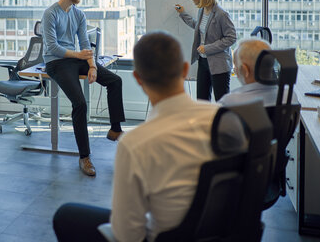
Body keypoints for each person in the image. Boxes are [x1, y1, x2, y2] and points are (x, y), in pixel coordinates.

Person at [53, 31, 219, 241]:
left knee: (66, 215)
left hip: (166, 236)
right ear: (185, 69)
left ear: (138, 78)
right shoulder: (223, 119)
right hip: (222, 232)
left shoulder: (135, 144)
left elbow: (128, 233)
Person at [42, 0, 125, 176]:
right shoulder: (50, 14)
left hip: (75, 58)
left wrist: (92, 66)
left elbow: (85, 44)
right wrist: (78, 54)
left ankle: (115, 129)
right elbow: (53, 46)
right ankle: (84, 158)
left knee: (115, 81)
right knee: (80, 104)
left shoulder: (79, 14)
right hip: (56, 61)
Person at [175, 0, 237, 101]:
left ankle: (222, 121)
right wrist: (183, 13)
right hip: (203, 62)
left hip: (219, 64)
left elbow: (231, 38)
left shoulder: (221, 14)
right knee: (202, 100)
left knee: (222, 101)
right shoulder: (202, 11)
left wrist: (207, 48)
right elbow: (197, 26)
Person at [218, 38, 298, 106]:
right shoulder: (290, 96)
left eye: (236, 67)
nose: (235, 70)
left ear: (245, 71)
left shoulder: (229, 102)